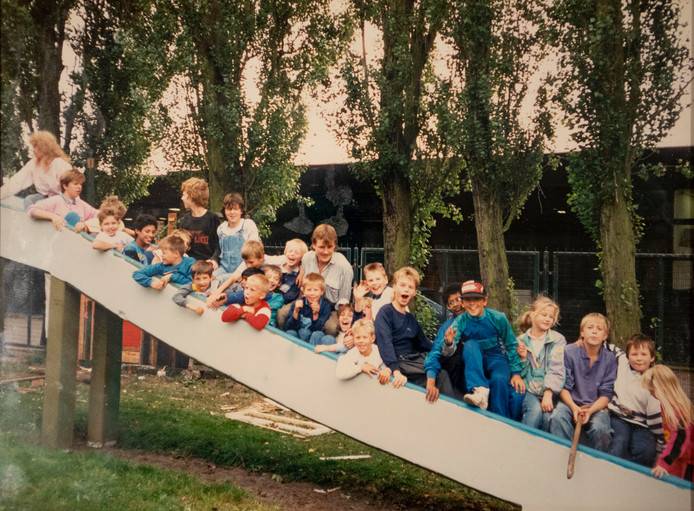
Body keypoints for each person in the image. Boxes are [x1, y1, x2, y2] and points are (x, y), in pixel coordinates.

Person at [437, 281, 524, 418]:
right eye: (468, 300)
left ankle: (500, 419)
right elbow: (448, 352)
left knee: (499, 379)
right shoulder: (461, 321)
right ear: (463, 303)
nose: (472, 303)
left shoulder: (498, 318)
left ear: (485, 301)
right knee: (471, 344)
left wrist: (516, 373)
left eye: (476, 299)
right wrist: (448, 342)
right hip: (475, 358)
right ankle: (480, 391)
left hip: (496, 357)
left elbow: (511, 345)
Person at [375, 266, 454, 401]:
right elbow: (385, 343)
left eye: (410, 287)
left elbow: (425, 344)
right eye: (402, 285)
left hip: (413, 361)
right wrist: (395, 370)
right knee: (442, 376)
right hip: (399, 362)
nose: (406, 289)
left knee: (443, 368)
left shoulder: (410, 319)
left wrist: (447, 344)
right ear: (394, 287)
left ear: (414, 292)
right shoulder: (385, 312)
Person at [548, 313, 617, 452]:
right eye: (590, 327)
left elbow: (606, 393)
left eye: (599, 329)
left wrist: (590, 411)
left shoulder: (610, 358)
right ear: (582, 332)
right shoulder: (569, 352)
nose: (594, 331)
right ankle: (562, 455)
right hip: (570, 402)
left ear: (605, 336)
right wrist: (574, 408)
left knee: (601, 430)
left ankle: (596, 464)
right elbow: (564, 387)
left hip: (595, 406)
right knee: (557, 418)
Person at [607, 333, 663, 467]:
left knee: (646, 451)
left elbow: (655, 417)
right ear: (627, 356)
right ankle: (611, 472)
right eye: (634, 354)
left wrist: (661, 444)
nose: (638, 359)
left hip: (643, 424)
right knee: (619, 443)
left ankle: (629, 477)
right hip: (619, 417)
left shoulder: (654, 380)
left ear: (652, 358)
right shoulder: (623, 363)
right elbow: (611, 347)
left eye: (643, 355)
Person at [515, 296, 566, 431]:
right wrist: (523, 358)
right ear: (532, 315)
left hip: (549, 391)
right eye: (544, 315)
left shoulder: (558, 340)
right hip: (528, 390)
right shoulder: (520, 341)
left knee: (547, 418)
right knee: (535, 412)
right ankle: (524, 445)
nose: (548, 319)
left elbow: (557, 370)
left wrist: (548, 394)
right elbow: (519, 373)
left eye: (551, 316)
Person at [642, 364, 693, 481]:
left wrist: (664, 462)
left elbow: (679, 440)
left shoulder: (679, 410)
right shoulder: (665, 408)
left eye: (652, 390)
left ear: (662, 388)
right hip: (680, 457)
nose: (651, 393)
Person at [0, 130, 74, 209]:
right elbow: (16, 182)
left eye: (36, 147)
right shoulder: (33, 164)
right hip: (45, 199)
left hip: (63, 200)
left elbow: (71, 189)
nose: (34, 150)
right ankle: (36, 218)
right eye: (34, 146)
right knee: (29, 200)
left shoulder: (60, 164)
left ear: (46, 147)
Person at [423, 284, 467, 398]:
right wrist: (431, 379)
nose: (456, 304)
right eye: (451, 303)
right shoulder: (447, 327)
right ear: (448, 307)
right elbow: (435, 352)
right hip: (457, 372)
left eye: (458, 299)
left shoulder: (479, 318)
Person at [27, 169, 95, 232]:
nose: (79, 187)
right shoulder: (56, 200)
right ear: (65, 186)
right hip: (57, 239)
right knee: (72, 216)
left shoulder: (81, 204)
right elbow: (32, 210)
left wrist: (85, 225)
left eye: (81, 184)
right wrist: (53, 216)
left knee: (73, 217)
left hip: (77, 241)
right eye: (76, 184)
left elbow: (99, 216)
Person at [215, 192, 260, 280]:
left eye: (235, 209)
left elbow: (254, 253)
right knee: (210, 278)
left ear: (241, 211)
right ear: (224, 211)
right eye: (229, 209)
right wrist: (213, 262)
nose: (232, 212)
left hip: (244, 271)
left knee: (220, 280)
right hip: (224, 269)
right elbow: (219, 252)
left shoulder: (247, 225)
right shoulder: (221, 229)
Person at [284, 272, 335, 346]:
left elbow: (318, 329)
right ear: (303, 291)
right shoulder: (298, 303)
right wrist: (295, 312)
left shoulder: (325, 306)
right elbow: (288, 327)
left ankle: (309, 354)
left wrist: (315, 314)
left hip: (314, 337)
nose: (312, 293)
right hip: (300, 335)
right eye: (309, 290)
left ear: (322, 292)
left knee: (317, 334)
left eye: (315, 290)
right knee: (291, 333)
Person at [178, 177, 220, 263]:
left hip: (206, 265)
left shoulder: (212, 219)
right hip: (187, 264)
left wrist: (214, 260)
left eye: (184, 195)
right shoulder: (184, 220)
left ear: (192, 195)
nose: (182, 198)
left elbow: (219, 245)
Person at [278, 238, 307, 304]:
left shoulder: (301, 272)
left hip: (291, 302)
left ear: (302, 257)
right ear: (285, 253)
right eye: (290, 251)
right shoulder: (279, 267)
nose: (292, 254)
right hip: (275, 299)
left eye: (296, 253)